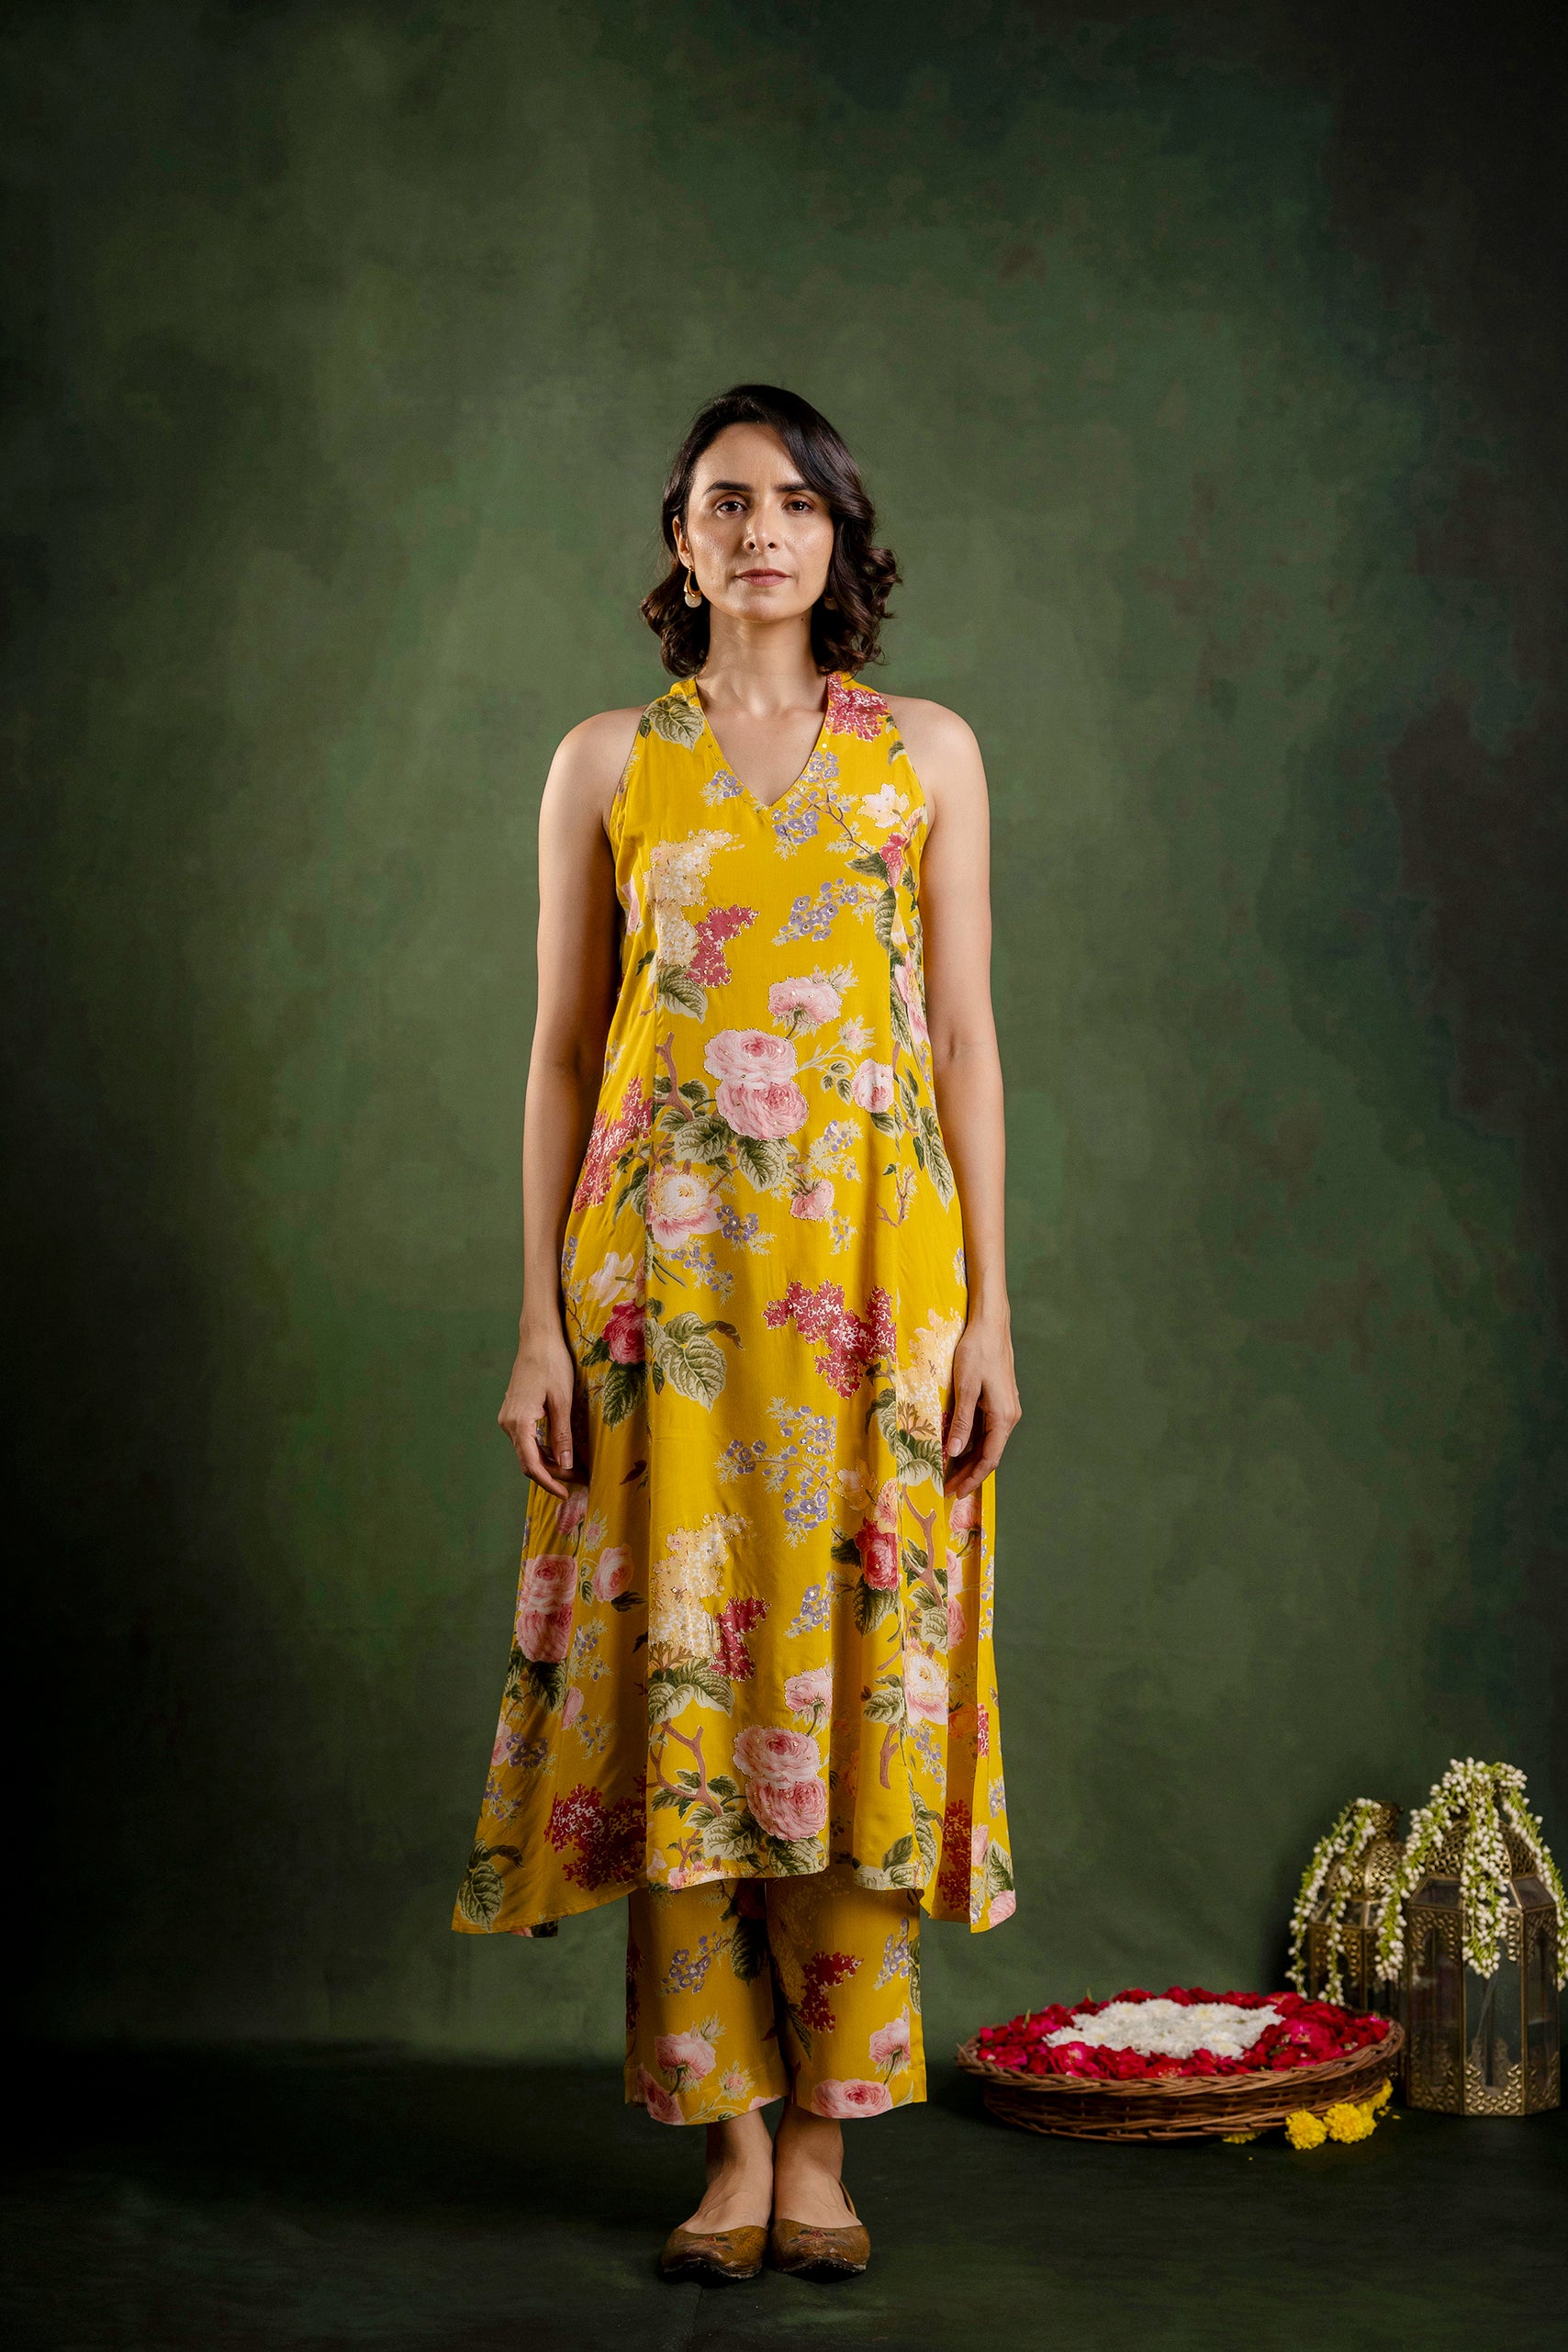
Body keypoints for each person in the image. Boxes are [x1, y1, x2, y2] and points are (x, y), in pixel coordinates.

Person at [454, 384, 1020, 2283]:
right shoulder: (607, 761)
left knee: (862, 1679)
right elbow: (561, 1052)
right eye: (723, 502)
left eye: (793, 502)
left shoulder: (924, 753)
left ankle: (828, 2145)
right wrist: (538, 1322)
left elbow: (963, 1040)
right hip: (659, 1296)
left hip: (875, 1289)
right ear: (678, 542)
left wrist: (991, 1312)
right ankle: (727, 2143)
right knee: (682, 1684)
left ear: (838, 535)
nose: (759, 530)